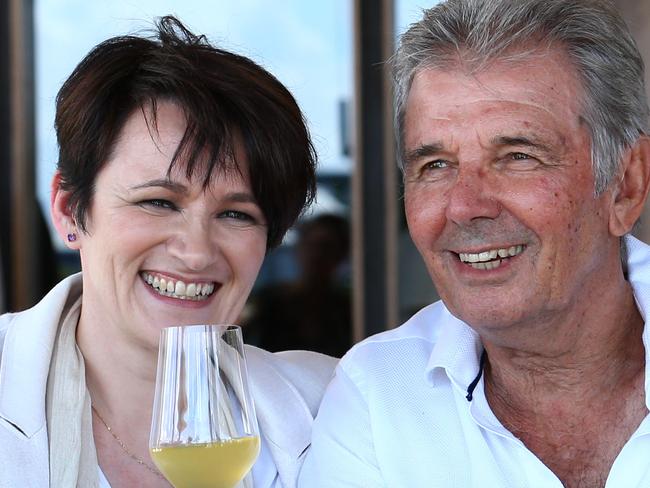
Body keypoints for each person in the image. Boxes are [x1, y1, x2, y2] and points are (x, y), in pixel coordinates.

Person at [300, 0, 650, 486]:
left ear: (626, 185)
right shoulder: (380, 398)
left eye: (518, 155)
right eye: (435, 166)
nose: (464, 206)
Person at [0, 16, 336, 488]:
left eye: (236, 214)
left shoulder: (334, 405)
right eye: (158, 202)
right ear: (69, 210)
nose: (196, 252)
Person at [245, 213, 352, 357]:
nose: (317, 254)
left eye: (327, 247)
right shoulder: (270, 302)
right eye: (311, 245)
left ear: (341, 254)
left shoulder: (348, 310)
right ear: (299, 248)